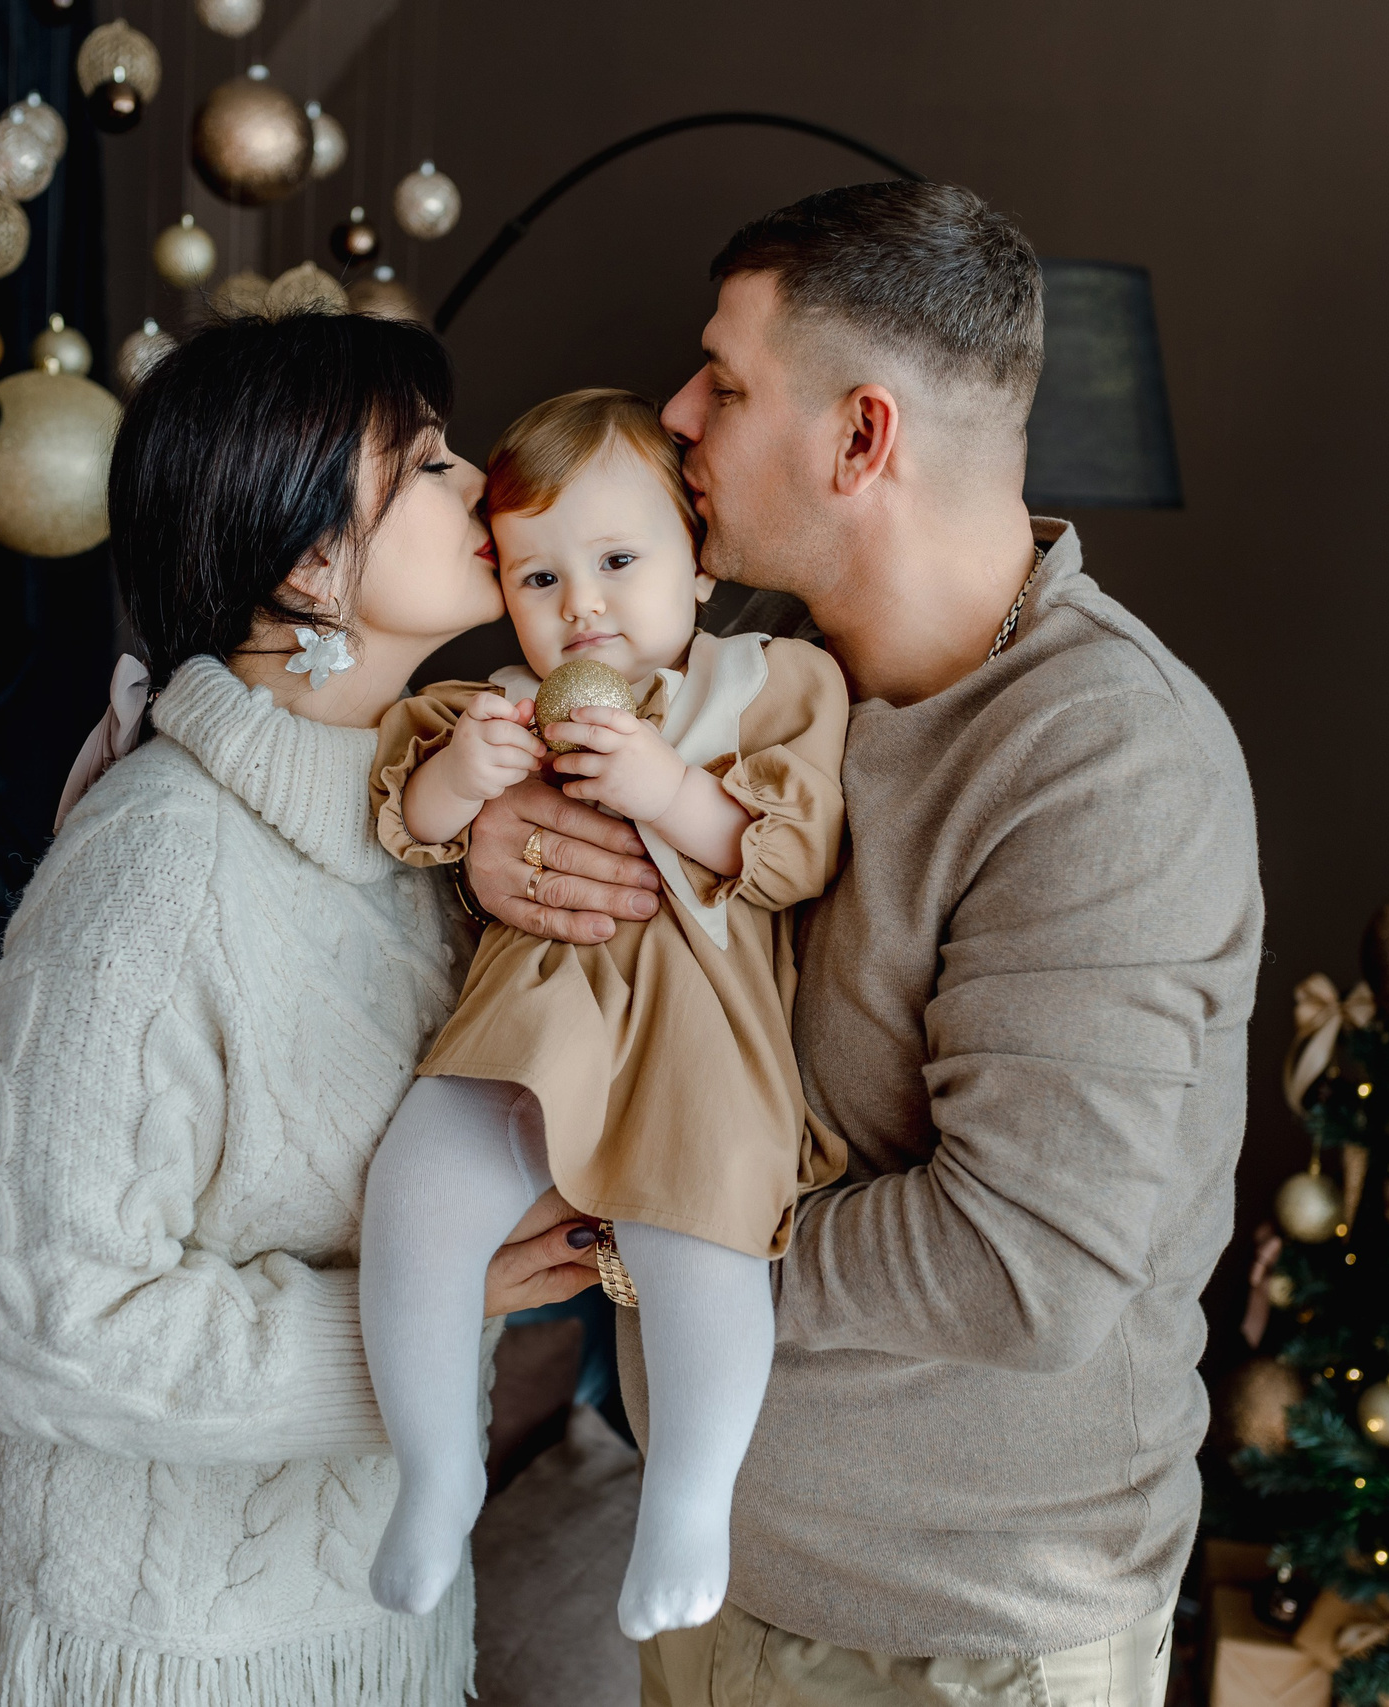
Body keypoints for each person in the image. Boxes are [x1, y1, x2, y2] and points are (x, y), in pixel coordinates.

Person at [461, 182, 1264, 1707]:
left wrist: (625, 1236)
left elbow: (1017, 1266)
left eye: (728, 379)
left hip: (957, 1639)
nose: (678, 411)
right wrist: (494, 853)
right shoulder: (757, 688)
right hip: (727, 1585)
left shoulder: (1104, 765)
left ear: (861, 439)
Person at [0, 311, 599, 1707]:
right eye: (424, 464)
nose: (479, 479)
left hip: (384, 1631)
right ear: (307, 561)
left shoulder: (424, 842)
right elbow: (47, 1324)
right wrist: (437, 1303)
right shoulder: (151, 870)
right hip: (158, 1655)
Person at [357, 389, 848, 1640]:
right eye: (537, 577)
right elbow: (411, 815)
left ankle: (688, 1497)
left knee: (706, 1240)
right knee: (416, 1190)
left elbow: (790, 855)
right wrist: (468, 777)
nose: (580, 607)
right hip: (532, 1030)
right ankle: (434, 1470)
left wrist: (670, 789)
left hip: (697, 1042)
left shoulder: (767, 682)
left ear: (696, 563)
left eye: (619, 562)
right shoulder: (502, 705)